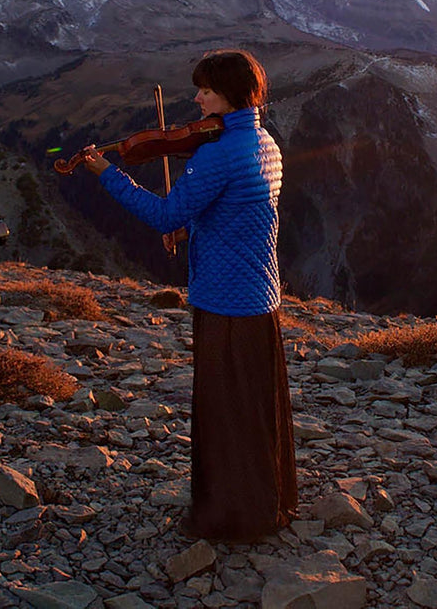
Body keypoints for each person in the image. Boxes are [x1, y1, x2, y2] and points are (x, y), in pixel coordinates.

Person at [74, 49, 297, 540]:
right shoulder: (264, 142)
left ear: (231, 94)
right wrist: (194, 225)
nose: (196, 99)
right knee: (255, 410)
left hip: (225, 301)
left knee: (224, 412)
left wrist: (106, 175)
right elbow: (239, 214)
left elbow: (162, 216)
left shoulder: (217, 152)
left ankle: (232, 518)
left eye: (206, 90)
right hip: (262, 296)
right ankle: (268, 501)